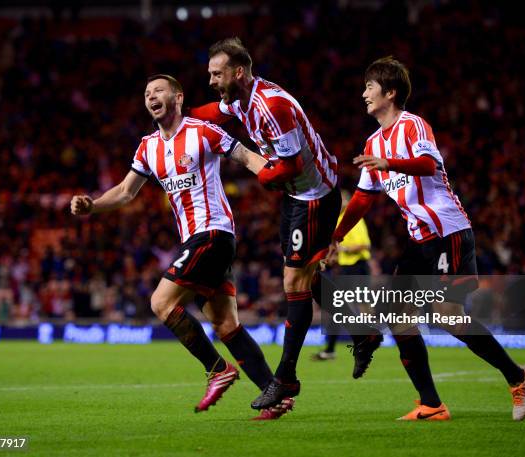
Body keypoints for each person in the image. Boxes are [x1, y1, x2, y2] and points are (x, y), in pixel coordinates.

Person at [70, 74, 293, 420]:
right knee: (225, 325)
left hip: (214, 233)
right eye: (146, 93)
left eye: (158, 90)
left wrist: (285, 175)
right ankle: (275, 396)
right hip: (198, 240)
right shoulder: (148, 147)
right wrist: (93, 205)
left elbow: (247, 157)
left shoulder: (202, 131)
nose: (150, 96)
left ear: (177, 96)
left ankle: (218, 369)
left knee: (160, 302)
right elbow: (127, 192)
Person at [329, 56, 525, 421]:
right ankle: (431, 404)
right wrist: (335, 237)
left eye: (369, 88)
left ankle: (518, 378)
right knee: (399, 318)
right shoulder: (373, 141)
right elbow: (362, 198)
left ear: (390, 93)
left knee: (448, 316)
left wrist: (389, 165)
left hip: (448, 233)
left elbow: (428, 165)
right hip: (418, 242)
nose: (363, 94)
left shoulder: (413, 126)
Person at [189, 37, 382, 410]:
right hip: (297, 195)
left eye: (217, 73)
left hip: (314, 194)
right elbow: (214, 111)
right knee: (305, 278)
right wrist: (182, 115)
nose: (212, 79)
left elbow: (290, 165)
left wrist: (261, 177)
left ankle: (286, 378)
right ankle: (363, 333)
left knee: (294, 281)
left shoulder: (271, 106)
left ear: (239, 72)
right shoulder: (239, 99)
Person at [312, 190, 373, 361]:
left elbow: (364, 245)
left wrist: (343, 250)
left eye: (343, 200)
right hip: (349, 269)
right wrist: (332, 257)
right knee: (348, 308)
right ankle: (364, 341)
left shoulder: (352, 219)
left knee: (341, 307)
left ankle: (361, 343)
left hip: (356, 268)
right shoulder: (339, 220)